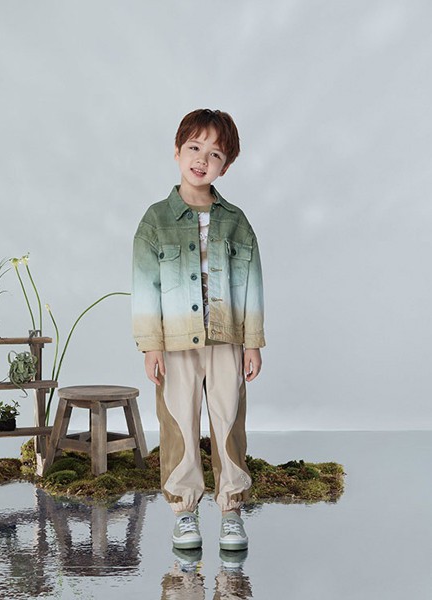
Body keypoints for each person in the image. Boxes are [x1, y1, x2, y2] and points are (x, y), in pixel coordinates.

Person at [132, 108, 265, 551]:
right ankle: (184, 511)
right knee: (179, 423)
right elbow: (145, 288)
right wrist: (150, 346)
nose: (202, 160)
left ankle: (231, 510)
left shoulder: (236, 222)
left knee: (228, 420)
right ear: (177, 151)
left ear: (226, 166)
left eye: (215, 154)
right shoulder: (155, 221)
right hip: (174, 342)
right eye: (194, 148)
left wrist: (253, 343)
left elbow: (251, 285)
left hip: (226, 339)